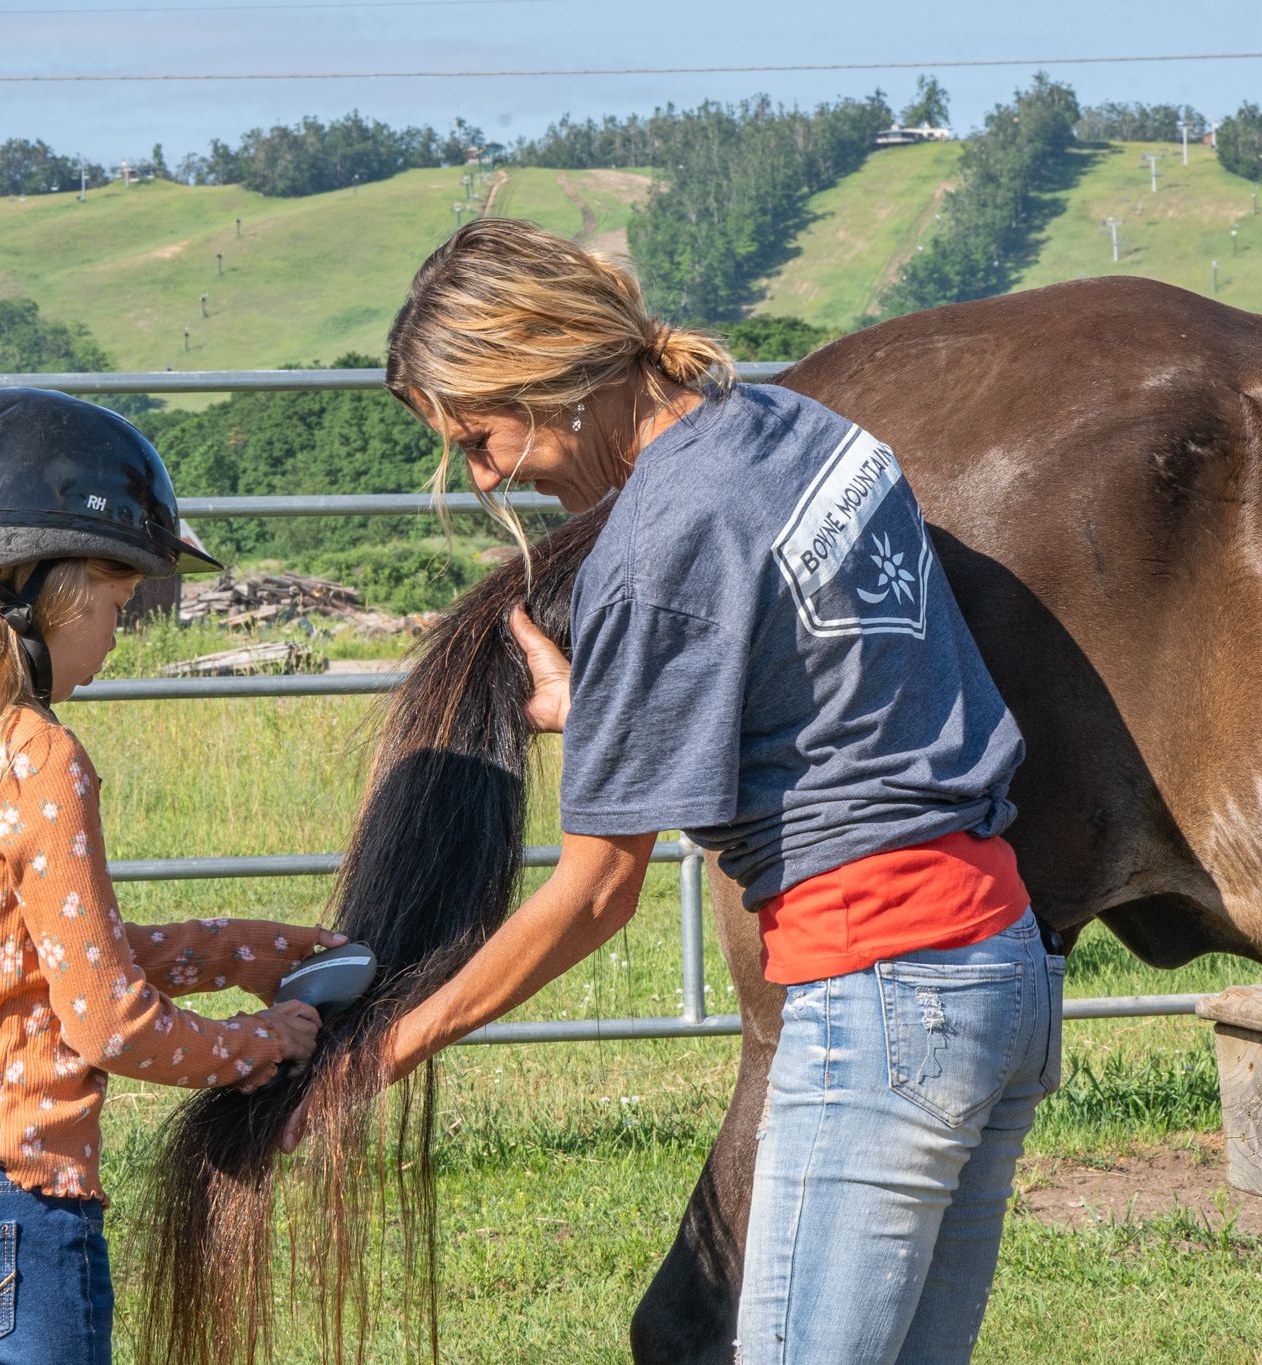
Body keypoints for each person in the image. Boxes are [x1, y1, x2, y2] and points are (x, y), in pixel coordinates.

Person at [304, 218, 1064, 1364]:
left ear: (551, 380)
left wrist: (386, 1051)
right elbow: (805, 666)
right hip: (998, 967)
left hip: (877, 994)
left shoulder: (657, 541)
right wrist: (604, 701)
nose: (483, 475)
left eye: (480, 436)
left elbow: (597, 895)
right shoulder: (790, 426)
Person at [0, 388, 342, 1365]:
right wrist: (258, 1044)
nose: (115, 634)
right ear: (42, 593)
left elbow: (31, 963)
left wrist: (242, 951)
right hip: (0, 1206)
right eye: (110, 603)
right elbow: (105, 1019)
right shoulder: (34, 752)